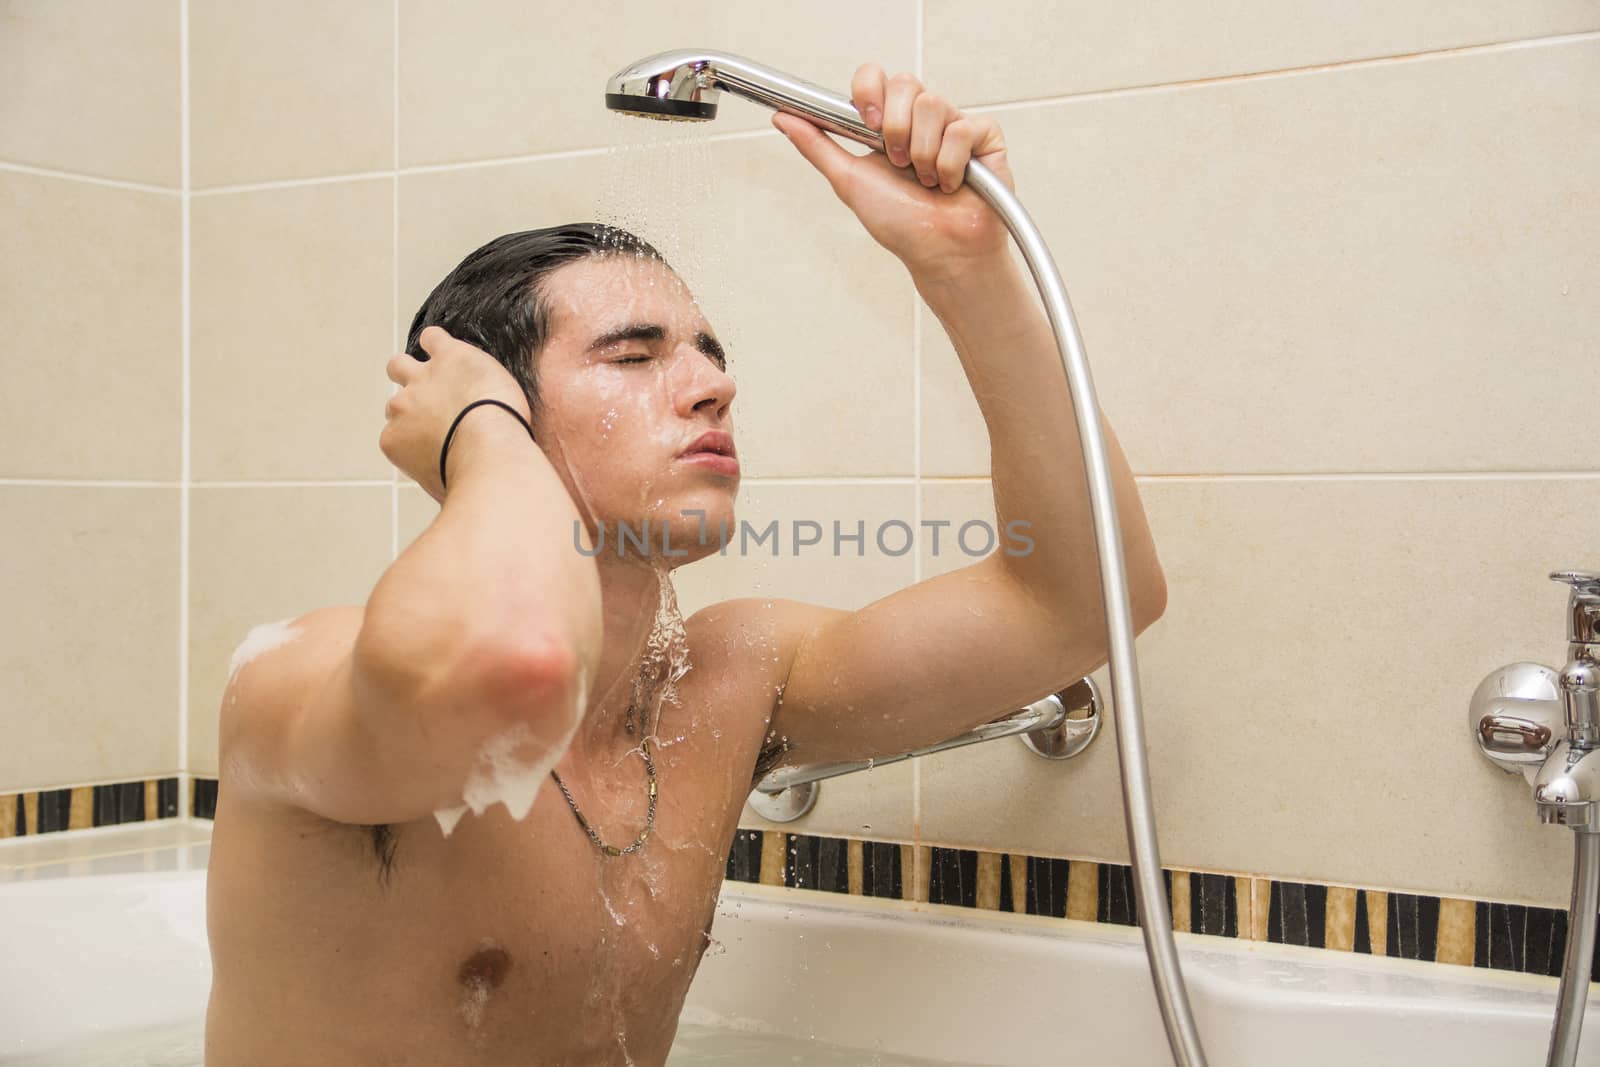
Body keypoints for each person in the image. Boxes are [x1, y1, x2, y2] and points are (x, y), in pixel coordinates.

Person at [204, 63, 1167, 1065]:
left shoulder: (722, 684)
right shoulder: (303, 682)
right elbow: (511, 667)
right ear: (482, 408)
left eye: (708, 352)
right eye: (634, 355)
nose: (713, 384)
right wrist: (482, 438)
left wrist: (968, 271)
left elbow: (1084, 599)